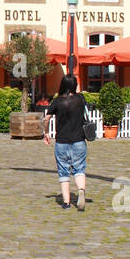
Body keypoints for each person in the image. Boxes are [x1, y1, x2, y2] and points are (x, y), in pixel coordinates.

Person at [43, 75, 89, 210]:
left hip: (62, 141)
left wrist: (46, 133)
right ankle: (81, 189)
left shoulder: (57, 102)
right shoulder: (80, 99)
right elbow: (81, 96)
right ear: (74, 85)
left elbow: (46, 119)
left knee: (63, 171)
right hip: (79, 140)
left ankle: (67, 202)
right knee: (79, 168)